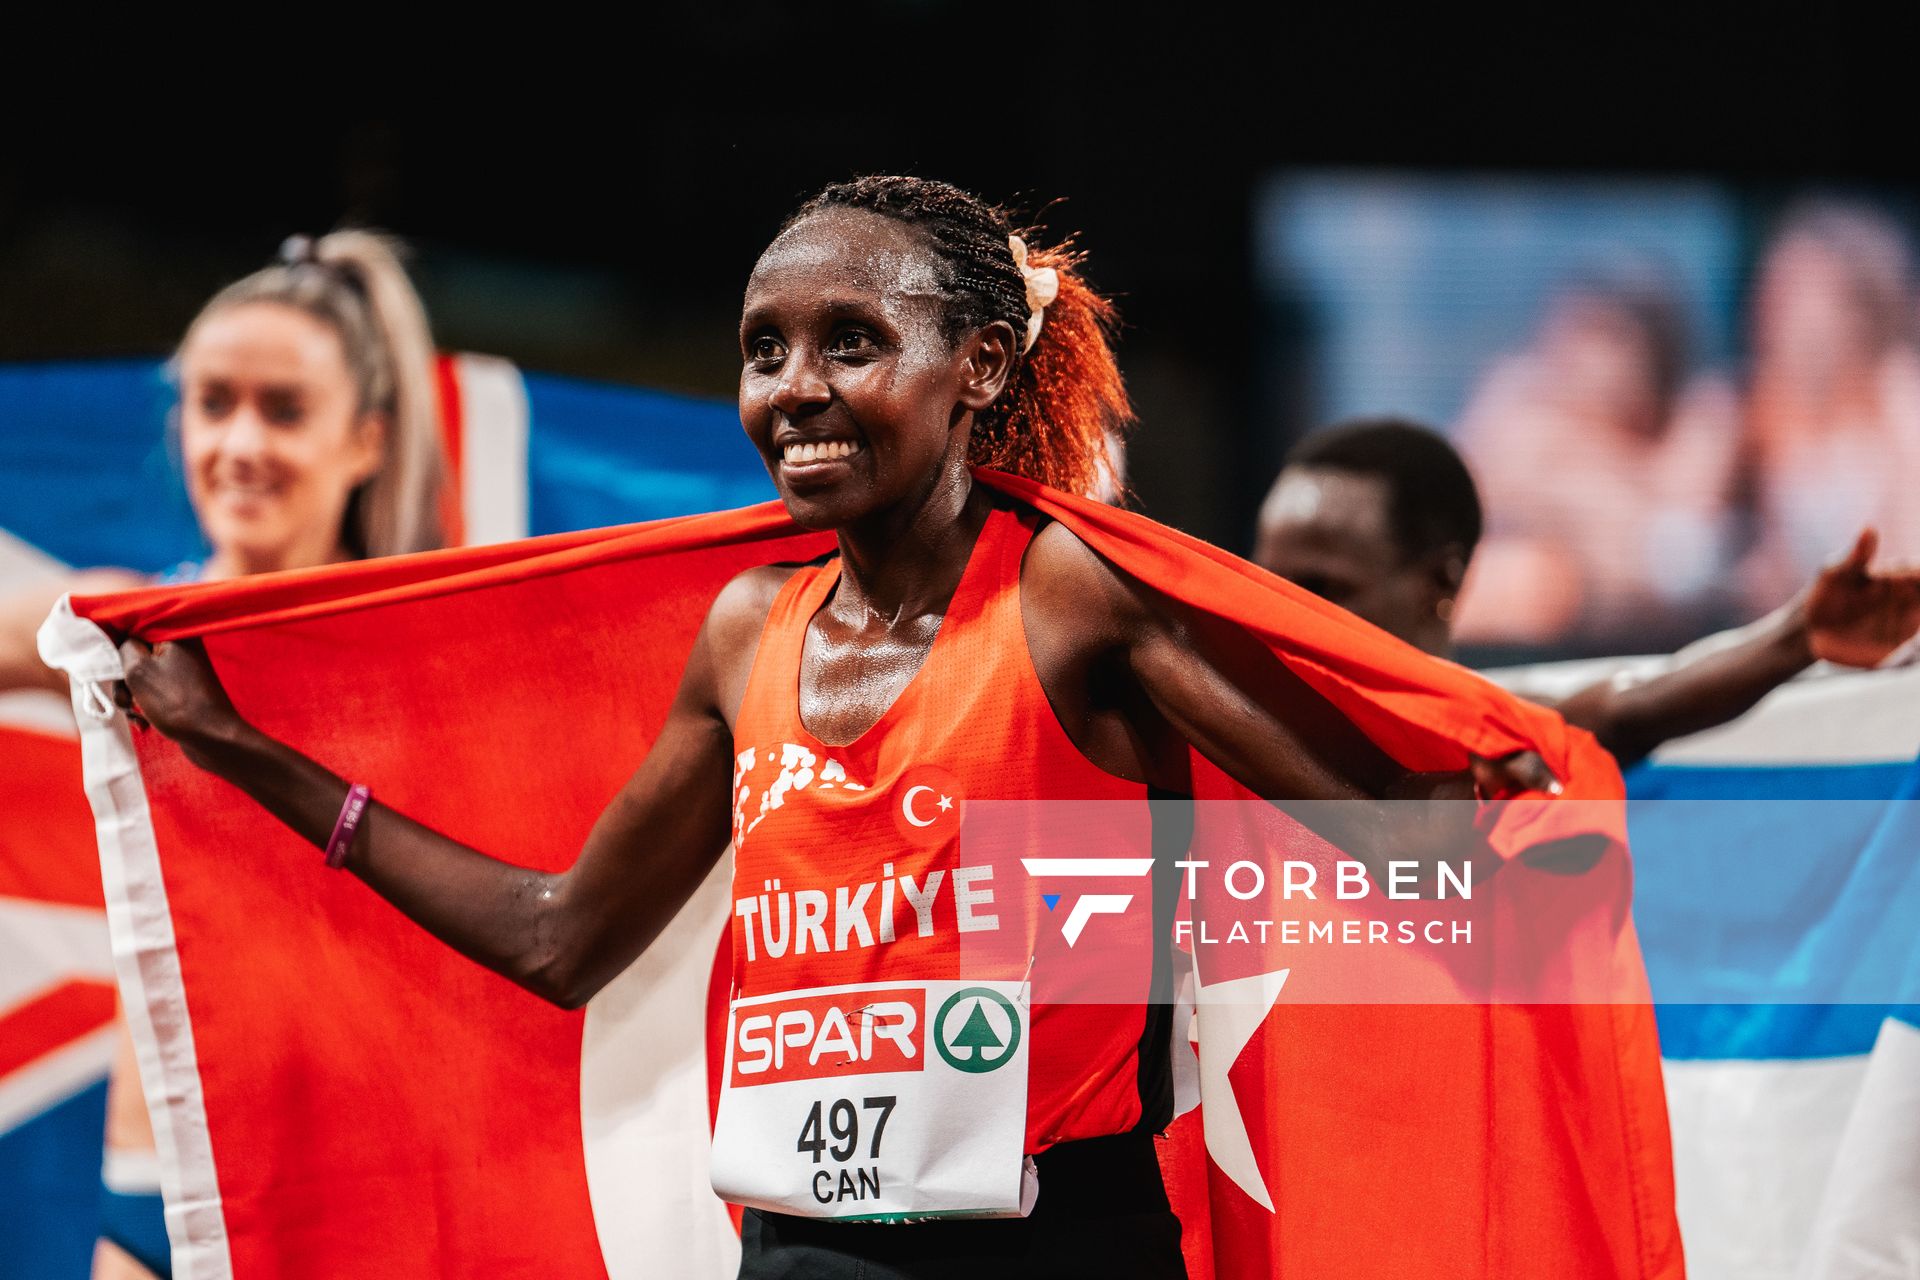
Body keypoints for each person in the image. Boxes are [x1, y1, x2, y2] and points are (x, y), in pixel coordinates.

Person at [108, 178, 1568, 1280]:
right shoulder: (750, 629)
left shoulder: (1070, 600)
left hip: (1056, 1248)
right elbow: (560, 941)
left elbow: (1403, 858)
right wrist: (244, 751)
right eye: (764, 350)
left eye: (851, 343)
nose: (795, 390)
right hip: (805, 1255)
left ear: (980, 368)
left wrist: (1495, 808)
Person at [0, 230, 447, 1279]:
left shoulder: (426, 651)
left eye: (284, 409)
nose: (240, 441)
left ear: (366, 440)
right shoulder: (111, 620)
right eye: (214, 401)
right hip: (152, 1182)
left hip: (357, 1194)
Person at [1254, 417, 1920, 764]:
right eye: (1263, 584)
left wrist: (1799, 637)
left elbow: (1630, 709)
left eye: (1321, 588)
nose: (1282, 616)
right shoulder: (1206, 717)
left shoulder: (1491, 748)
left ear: (1440, 580)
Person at [1451, 272, 1742, 650]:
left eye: (1602, 338)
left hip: (1641, 644)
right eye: (1566, 332)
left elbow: (1670, 559)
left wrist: (1563, 477)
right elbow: (1465, 496)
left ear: (1651, 354)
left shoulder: (1699, 418)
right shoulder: (1517, 397)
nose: (1572, 354)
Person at [1738, 202, 1920, 610]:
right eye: (1776, 295)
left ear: (1858, 310)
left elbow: (1905, 563)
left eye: (1802, 295)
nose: (1778, 315)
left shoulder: (1900, 400)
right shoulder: (1774, 406)